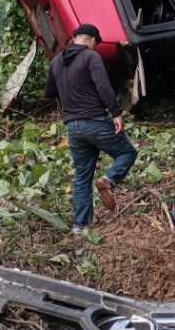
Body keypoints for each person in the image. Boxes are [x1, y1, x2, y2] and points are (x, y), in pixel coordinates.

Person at [45, 23, 138, 236]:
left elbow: (49, 91)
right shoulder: (91, 57)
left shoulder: (57, 61)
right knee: (127, 152)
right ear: (93, 41)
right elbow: (103, 86)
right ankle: (109, 179)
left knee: (82, 176)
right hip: (94, 120)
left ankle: (79, 228)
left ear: (75, 37)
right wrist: (116, 113)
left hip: (73, 127)